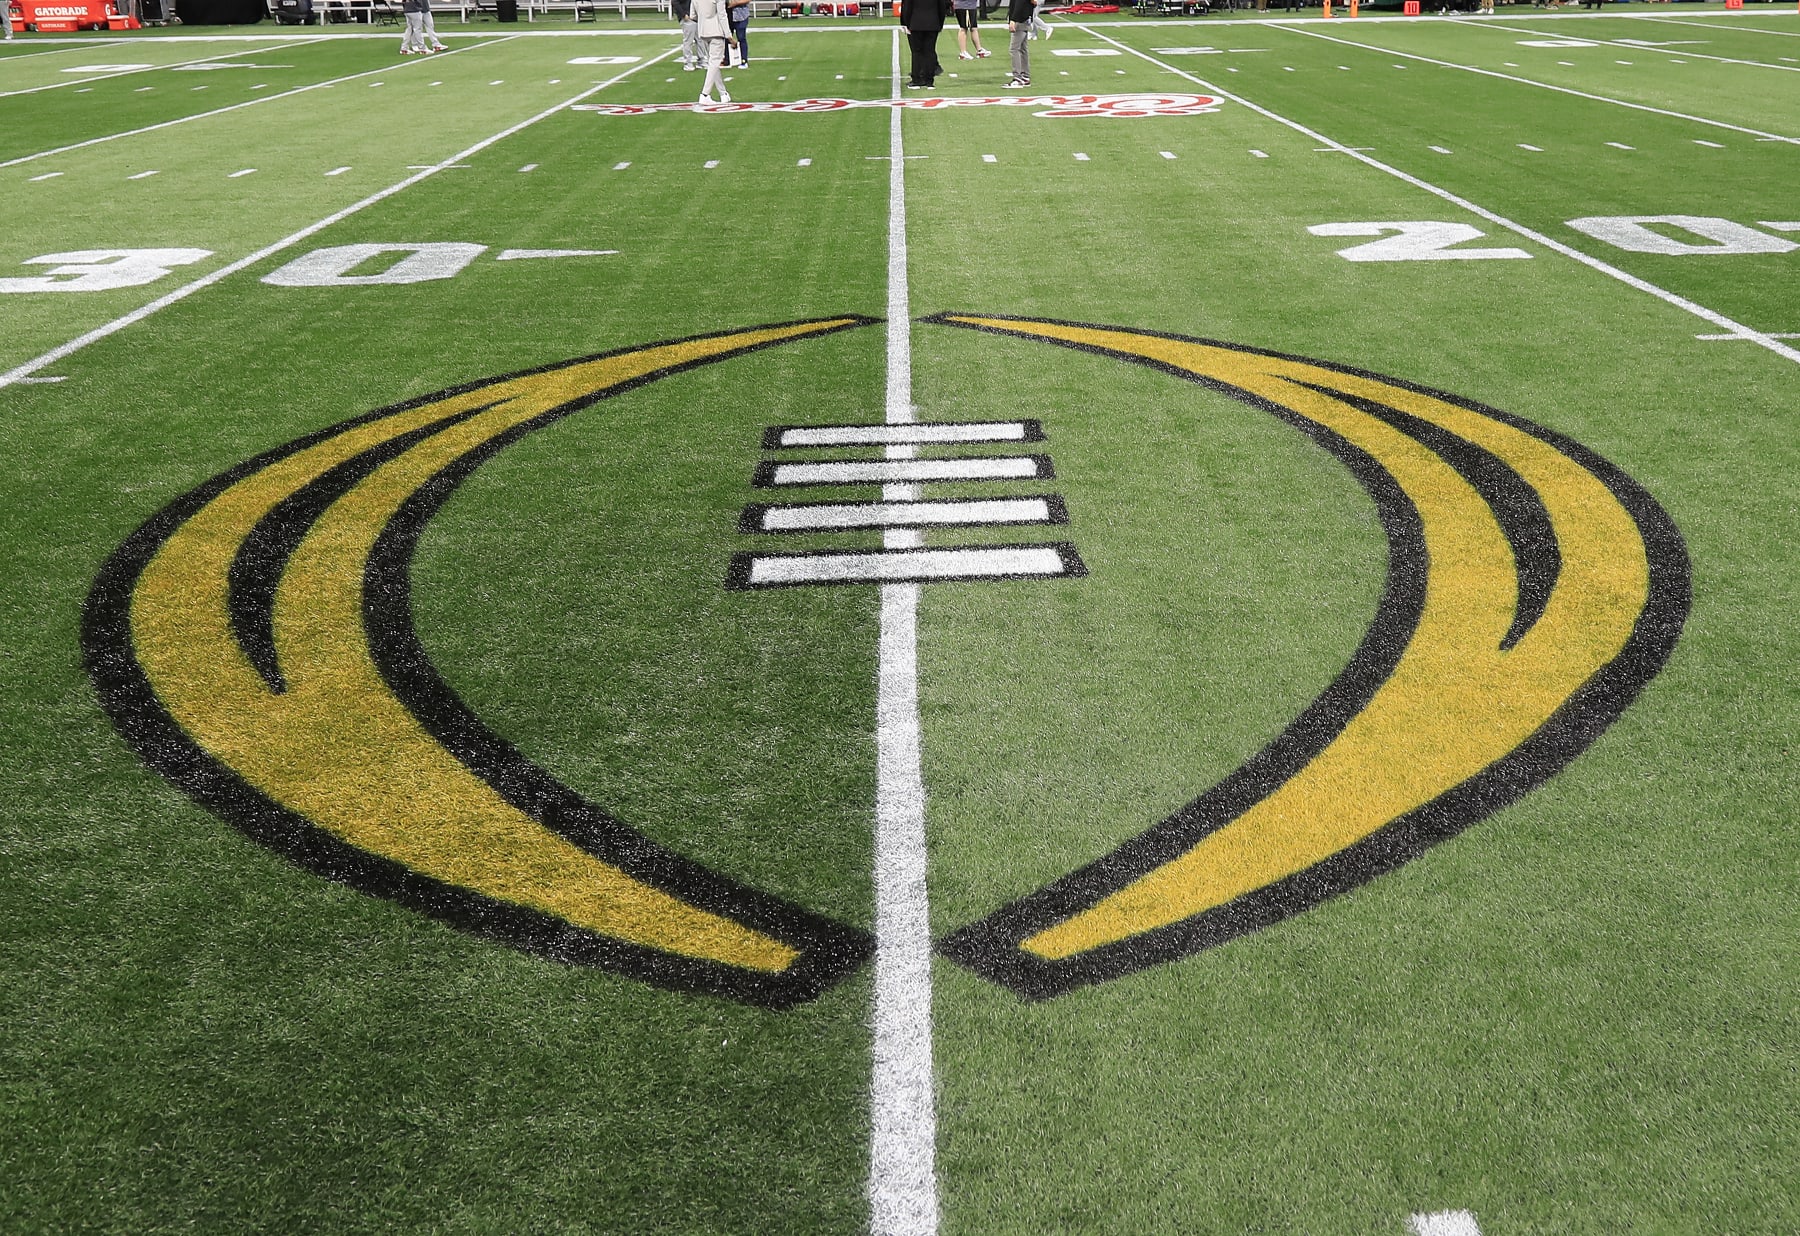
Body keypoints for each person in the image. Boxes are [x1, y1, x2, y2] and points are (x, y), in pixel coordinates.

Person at [900, 0, 951, 89]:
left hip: (916, 23)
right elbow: (942, 7)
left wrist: (907, 24)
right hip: (933, 23)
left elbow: (907, 7)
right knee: (930, 51)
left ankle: (917, 80)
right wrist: (940, 24)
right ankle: (929, 81)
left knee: (917, 52)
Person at [695, 0, 732, 103]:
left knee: (713, 64)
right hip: (716, 32)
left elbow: (693, 15)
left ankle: (723, 93)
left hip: (703, 32)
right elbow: (722, 14)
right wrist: (728, 35)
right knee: (714, 63)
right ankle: (705, 94)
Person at [1006, 0, 1032, 86]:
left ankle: (1017, 77)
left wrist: (1013, 19)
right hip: (1025, 18)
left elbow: (1019, 3)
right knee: (1023, 49)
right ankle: (1025, 75)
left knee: (1014, 49)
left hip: (1020, 20)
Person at [673, 0, 699, 70]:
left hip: (697, 17)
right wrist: (683, 15)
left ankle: (702, 61)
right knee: (688, 41)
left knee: (700, 40)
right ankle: (688, 63)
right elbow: (675, 2)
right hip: (688, 18)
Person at [727, 0, 750, 68]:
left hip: (741, 15)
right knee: (727, 37)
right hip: (728, 15)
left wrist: (736, 3)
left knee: (741, 37)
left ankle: (744, 60)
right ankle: (727, 60)